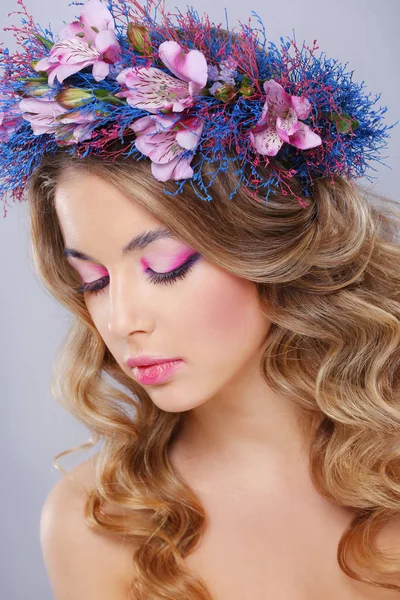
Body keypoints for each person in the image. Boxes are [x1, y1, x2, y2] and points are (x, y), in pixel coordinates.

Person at [1, 1, 400, 598]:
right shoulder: (98, 523)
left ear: (266, 243)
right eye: (94, 281)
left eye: (165, 266)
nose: (121, 321)